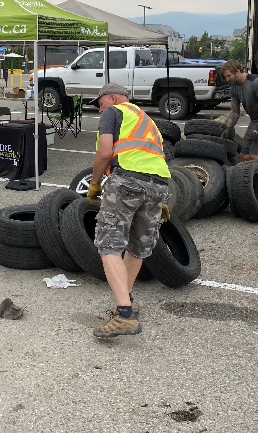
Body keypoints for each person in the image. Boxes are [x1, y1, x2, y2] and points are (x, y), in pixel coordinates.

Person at [86, 83, 171, 339]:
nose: (100, 109)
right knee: (137, 247)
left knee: (109, 244)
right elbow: (156, 156)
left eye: (100, 103)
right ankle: (127, 302)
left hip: (126, 181)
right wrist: (157, 198)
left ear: (112, 98)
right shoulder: (147, 120)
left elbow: (105, 152)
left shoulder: (114, 112)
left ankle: (124, 315)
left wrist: (94, 184)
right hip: (159, 185)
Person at [221, 59, 258, 197]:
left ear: (238, 71)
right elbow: (235, 112)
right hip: (255, 120)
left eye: (229, 75)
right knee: (243, 156)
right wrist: (228, 128)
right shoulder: (234, 87)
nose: (227, 79)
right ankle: (257, 185)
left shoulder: (256, 82)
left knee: (254, 156)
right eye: (225, 76)